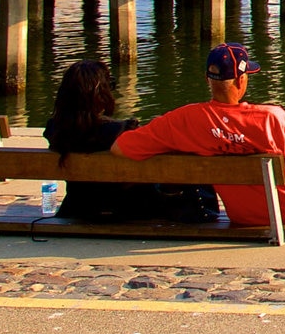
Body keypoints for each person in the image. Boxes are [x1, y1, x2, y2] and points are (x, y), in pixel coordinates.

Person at [111, 44, 285, 232]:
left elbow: (122, 148)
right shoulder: (271, 118)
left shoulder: (184, 120)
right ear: (241, 81)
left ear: (209, 80)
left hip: (245, 214)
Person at [44, 60, 217, 224]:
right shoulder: (121, 132)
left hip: (81, 207)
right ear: (101, 94)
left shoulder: (55, 132)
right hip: (131, 209)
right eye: (110, 86)